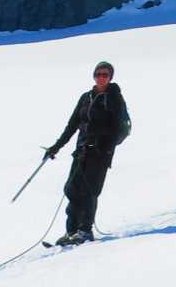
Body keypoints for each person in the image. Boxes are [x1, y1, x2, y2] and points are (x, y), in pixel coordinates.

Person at [45, 61, 130, 246]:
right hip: (82, 151)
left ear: (110, 77)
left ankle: (85, 231)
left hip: (100, 154)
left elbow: (122, 129)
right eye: (98, 74)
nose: (101, 77)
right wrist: (56, 147)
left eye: (105, 74)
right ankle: (72, 231)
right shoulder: (86, 97)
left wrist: (106, 147)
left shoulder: (115, 98)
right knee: (71, 189)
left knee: (89, 192)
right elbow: (72, 125)